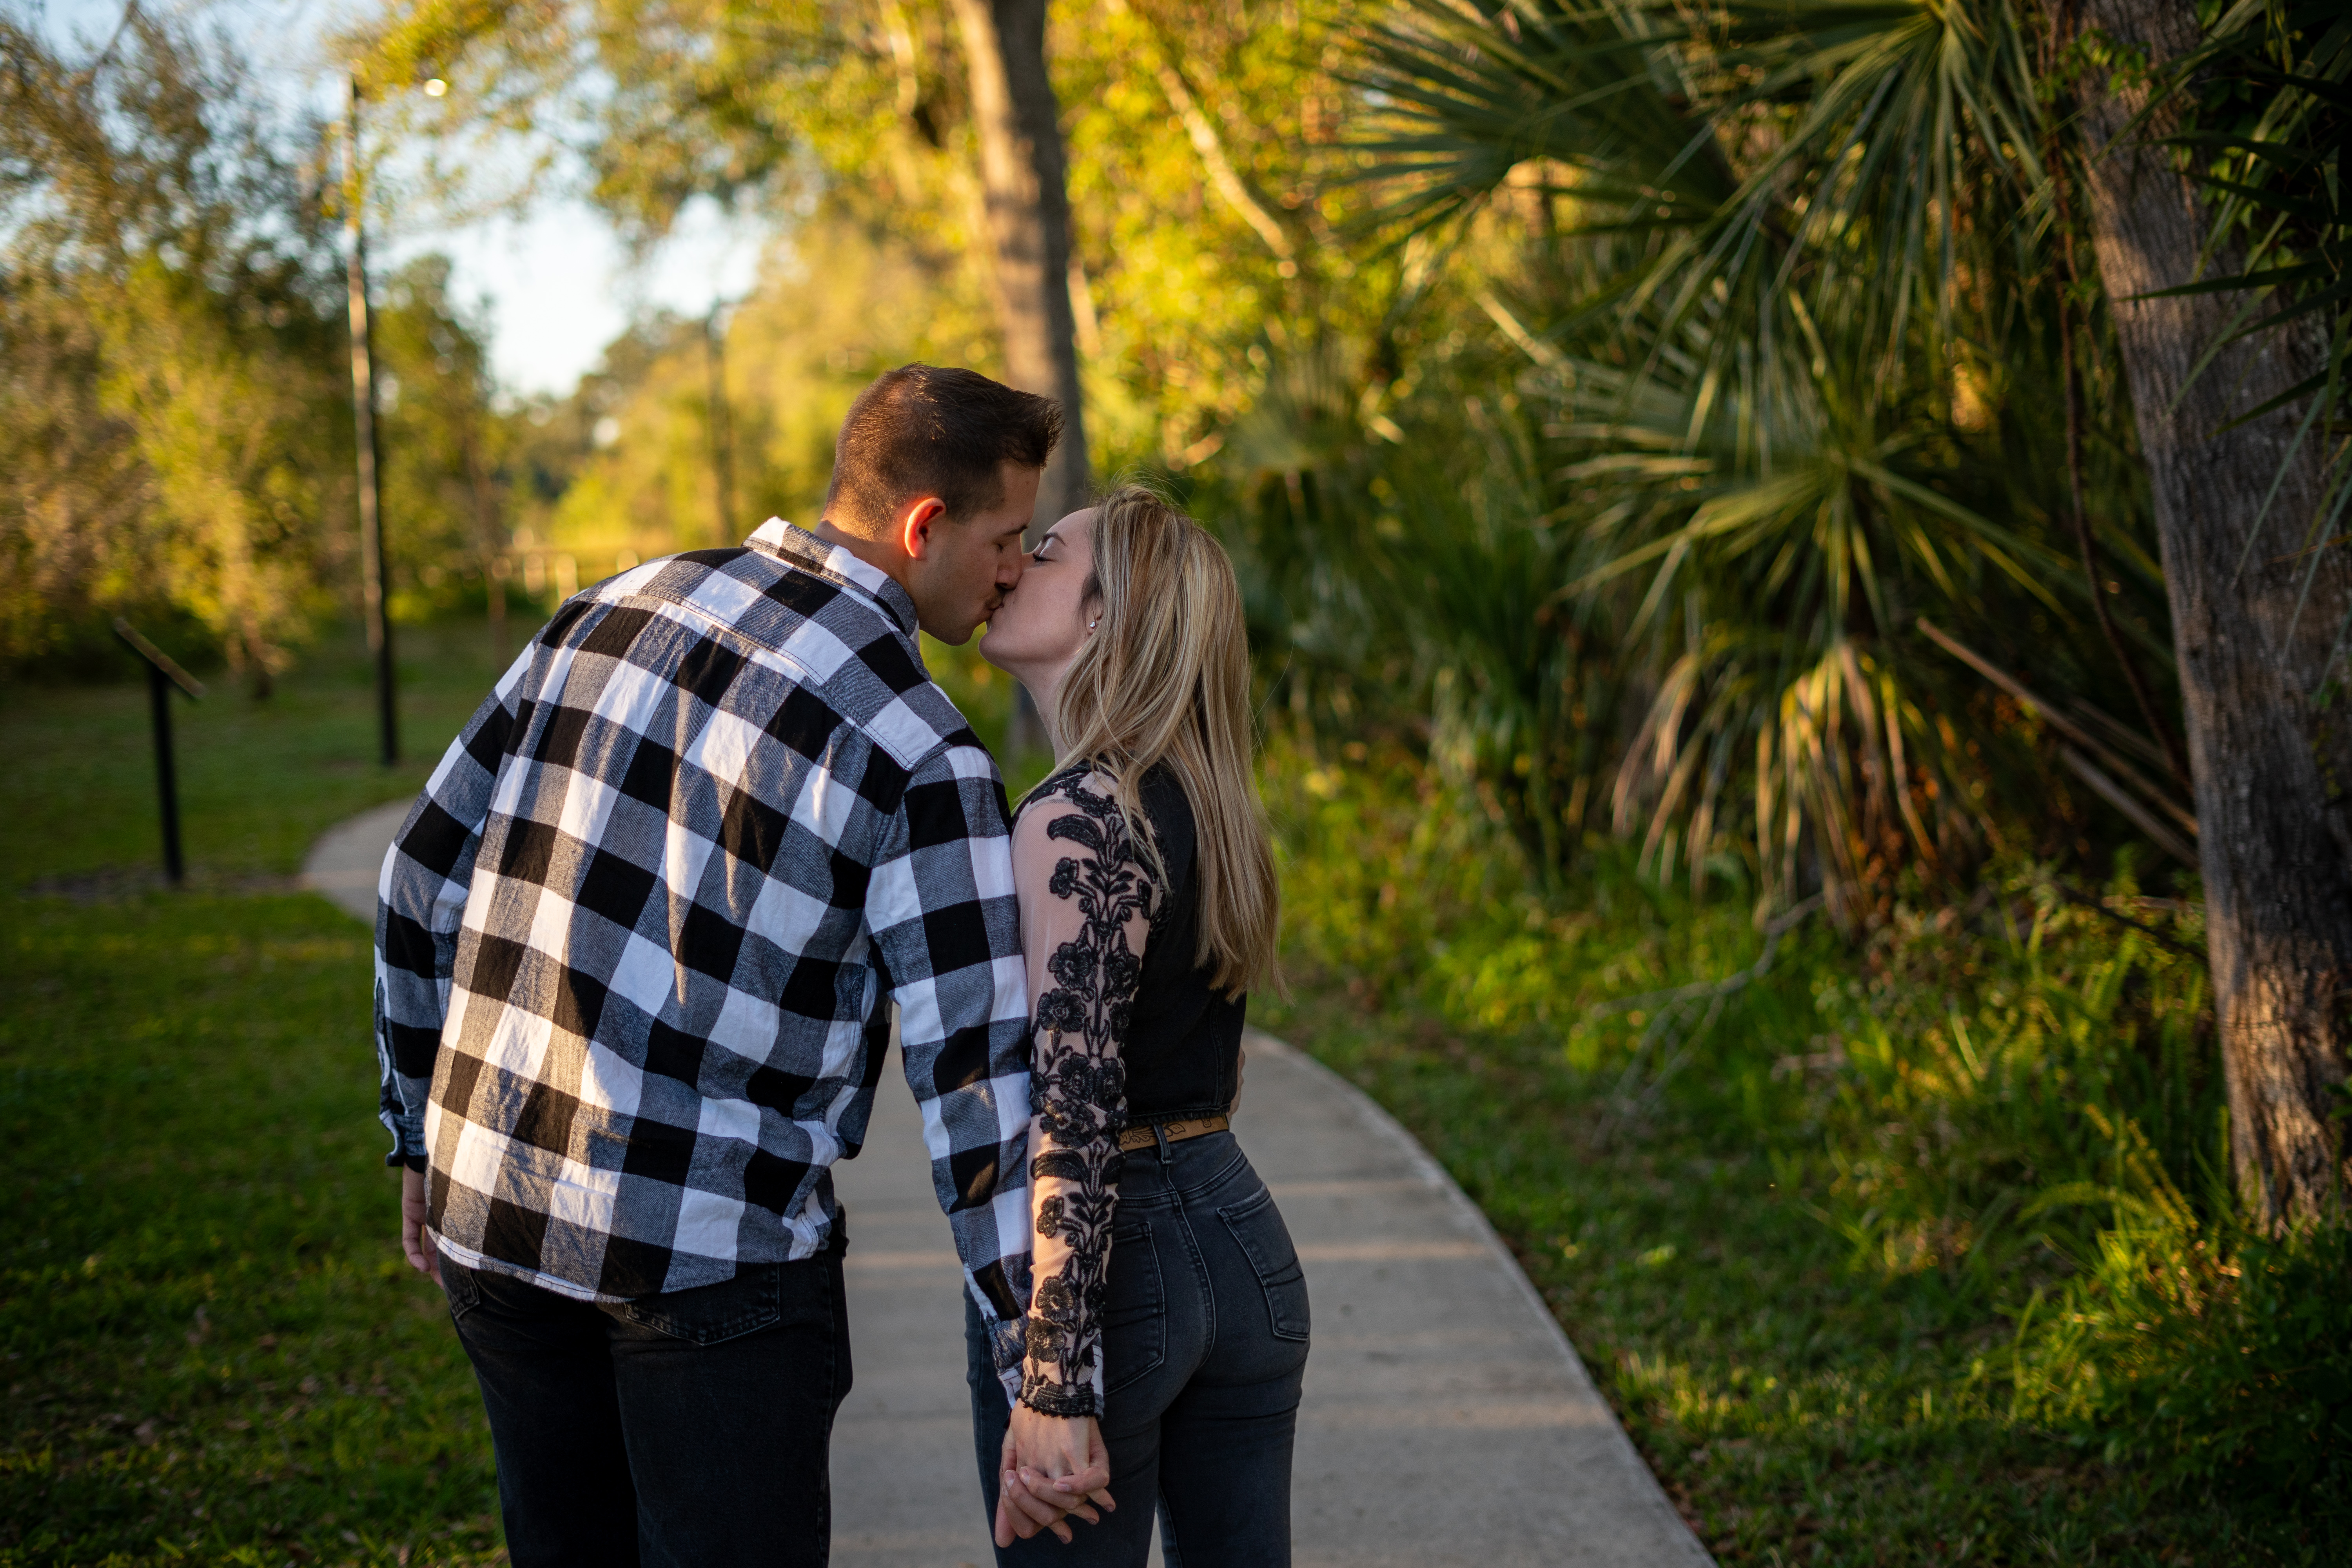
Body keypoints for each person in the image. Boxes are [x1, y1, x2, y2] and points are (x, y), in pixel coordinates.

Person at [371, 364, 1101, 1566]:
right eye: (1008, 537)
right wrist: (1045, 1368)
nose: (1017, 568)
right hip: (710, 1274)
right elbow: (976, 1087)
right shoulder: (919, 747)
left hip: (491, 1213)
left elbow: (417, 877)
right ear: (924, 526)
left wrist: (418, 1127)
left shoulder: (604, 609)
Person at [967, 485, 1305, 1565]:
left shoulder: (1078, 816)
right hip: (1238, 1231)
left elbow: (1074, 1109)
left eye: (1049, 552)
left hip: (1112, 1275)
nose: (1014, 565)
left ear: (1107, 616)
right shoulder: (1205, 800)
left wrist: (1053, 1379)